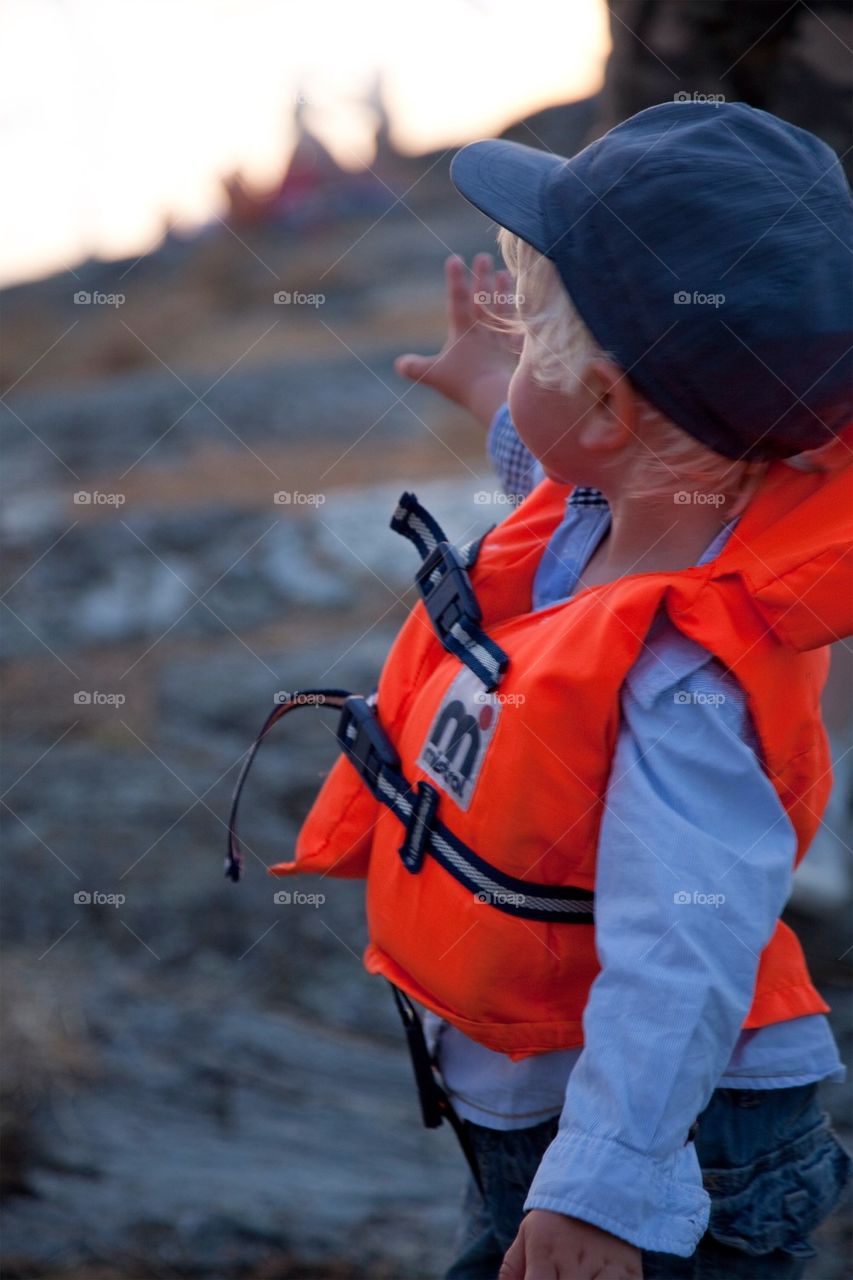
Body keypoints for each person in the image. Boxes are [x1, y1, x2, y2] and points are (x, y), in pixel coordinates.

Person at [268, 102, 853, 1277]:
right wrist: (500, 389)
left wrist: (605, 1183)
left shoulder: (683, 671)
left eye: (532, 341)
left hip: (675, 1143)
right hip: (547, 1107)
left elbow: (683, 944)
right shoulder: (629, 501)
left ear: (605, 404)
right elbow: (569, 475)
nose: (512, 351)